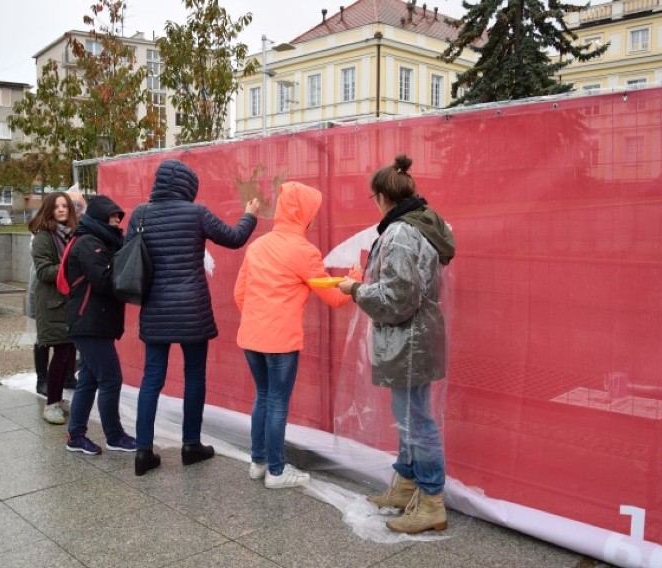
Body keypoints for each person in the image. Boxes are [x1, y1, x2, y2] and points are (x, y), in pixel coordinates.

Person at [337, 154, 455, 534]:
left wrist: (356, 289)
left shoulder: (401, 232)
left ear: (382, 197)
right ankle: (406, 487)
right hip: (415, 338)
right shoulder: (419, 225)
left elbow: (399, 296)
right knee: (410, 417)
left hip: (409, 340)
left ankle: (432, 501)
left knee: (416, 420)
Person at [128, 159, 259, 476]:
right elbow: (234, 237)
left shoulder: (140, 214)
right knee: (195, 375)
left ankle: (143, 451)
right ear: (188, 186)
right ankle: (191, 445)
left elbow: (129, 252)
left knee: (151, 378)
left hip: (155, 308)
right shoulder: (196, 213)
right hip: (191, 308)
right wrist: (250, 214)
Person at [234, 181, 359, 489]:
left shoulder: (257, 247)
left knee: (262, 397)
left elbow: (239, 294)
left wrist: (258, 318)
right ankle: (277, 472)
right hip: (281, 341)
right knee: (277, 402)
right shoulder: (304, 251)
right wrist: (355, 277)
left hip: (251, 337)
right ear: (304, 215)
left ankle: (259, 462)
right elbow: (333, 296)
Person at [63, 195, 137, 455]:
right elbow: (104, 281)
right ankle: (114, 435)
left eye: (120, 217)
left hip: (94, 322)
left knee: (88, 381)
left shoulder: (101, 240)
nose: (118, 221)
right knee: (111, 378)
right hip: (88, 322)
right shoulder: (88, 243)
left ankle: (75, 435)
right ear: (101, 215)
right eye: (114, 216)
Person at [28, 192, 78, 424]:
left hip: (70, 303)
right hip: (53, 304)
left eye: (65, 206)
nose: (61, 209)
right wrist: (72, 266)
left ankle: (57, 398)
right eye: (56, 206)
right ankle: (51, 405)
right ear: (49, 209)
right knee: (61, 353)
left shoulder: (71, 235)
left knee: (68, 354)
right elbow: (44, 271)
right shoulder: (44, 237)